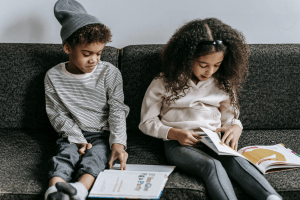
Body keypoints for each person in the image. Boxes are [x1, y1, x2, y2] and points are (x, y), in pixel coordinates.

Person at [139, 18, 282, 200]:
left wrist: (235, 127)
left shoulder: (223, 83)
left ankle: (272, 197)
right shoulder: (163, 81)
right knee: (211, 166)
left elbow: (230, 116)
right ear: (186, 58)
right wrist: (175, 133)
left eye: (217, 65)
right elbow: (146, 122)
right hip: (179, 143)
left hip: (214, 139)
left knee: (236, 161)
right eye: (203, 65)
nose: (209, 72)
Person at [44, 0, 129, 199]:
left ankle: (79, 191)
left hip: (102, 134)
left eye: (99, 53)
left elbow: (117, 110)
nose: (94, 60)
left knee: (97, 157)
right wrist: (76, 138)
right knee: (65, 155)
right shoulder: (53, 76)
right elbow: (57, 113)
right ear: (67, 48)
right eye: (86, 54)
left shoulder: (110, 73)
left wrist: (118, 144)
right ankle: (55, 190)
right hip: (71, 132)